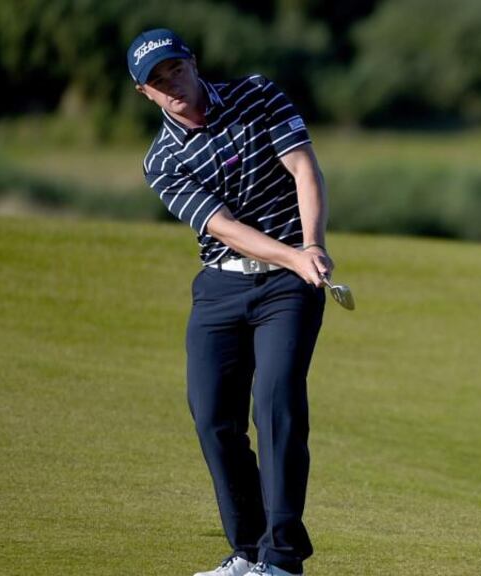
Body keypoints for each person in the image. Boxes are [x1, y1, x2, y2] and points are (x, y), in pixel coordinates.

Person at [128, 28, 331, 576]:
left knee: (276, 403)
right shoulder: (162, 160)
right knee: (213, 417)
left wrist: (309, 245)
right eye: (156, 81)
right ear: (145, 94)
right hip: (221, 285)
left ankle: (282, 559)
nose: (170, 84)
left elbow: (304, 169)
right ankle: (247, 551)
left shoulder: (258, 94)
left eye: (174, 69)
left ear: (191, 63)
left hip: (289, 287)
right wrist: (294, 256)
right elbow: (225, 228)